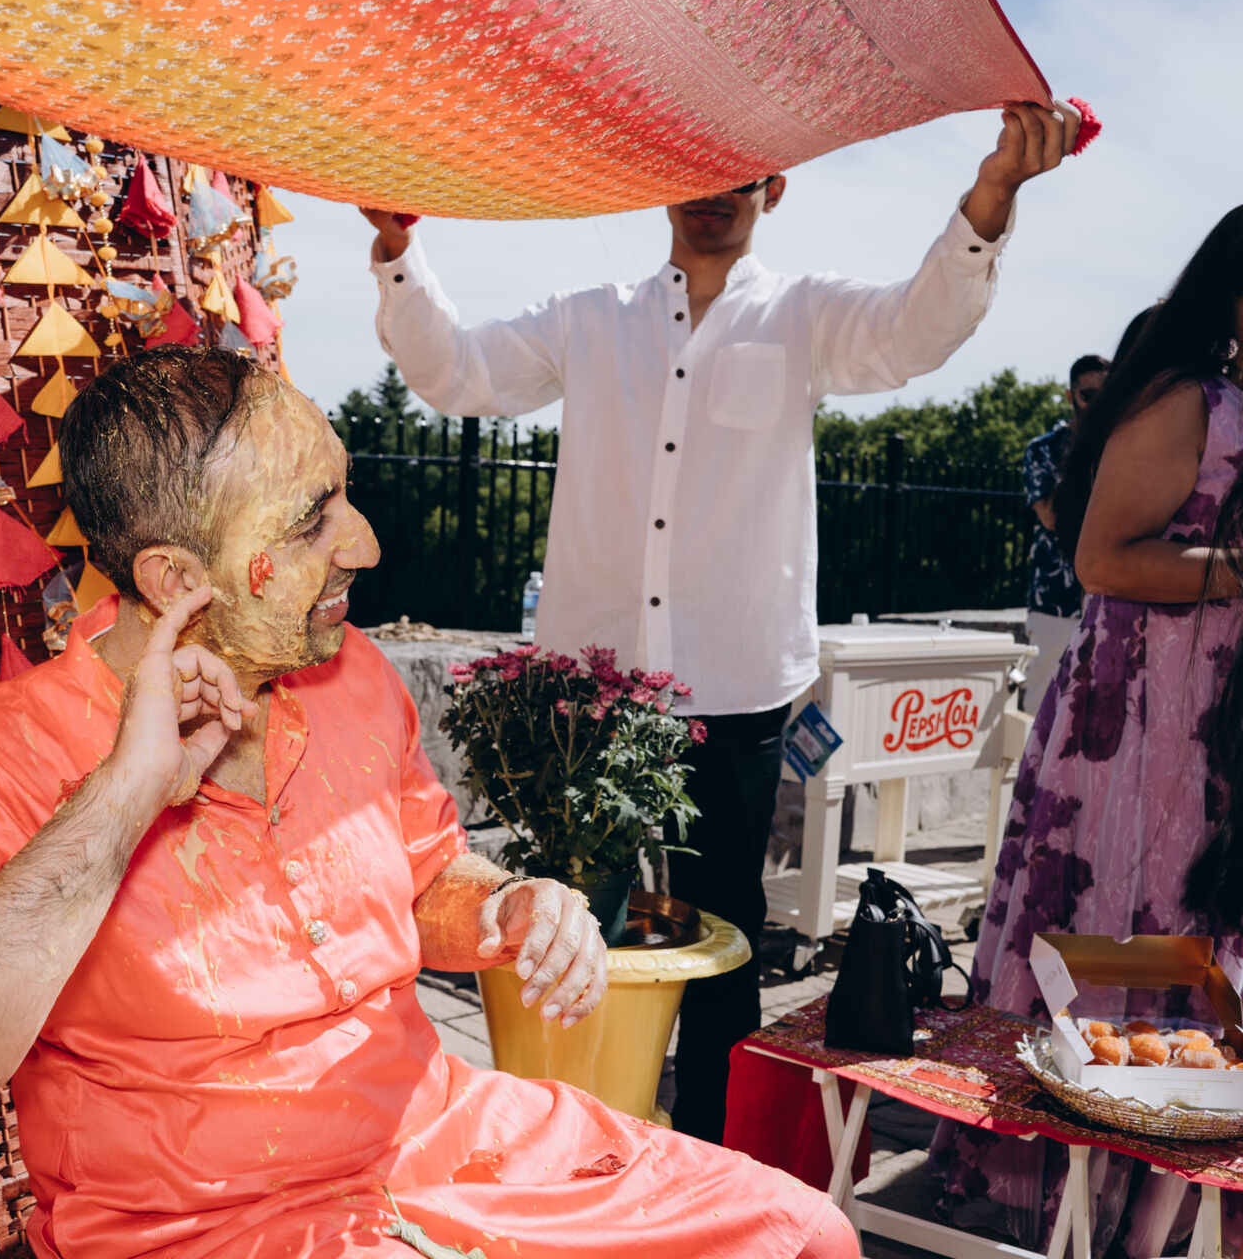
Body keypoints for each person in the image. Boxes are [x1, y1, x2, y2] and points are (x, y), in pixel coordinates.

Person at [0, 347, 857, 1259]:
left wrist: (507, 904)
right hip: (205, 1225)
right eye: (311, 521)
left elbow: (424, 872)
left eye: (343, 495)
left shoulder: (351, 672)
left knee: (804, 1232)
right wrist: (119, 800)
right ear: (175, 577)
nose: (362, 543)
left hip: (444, 1145)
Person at [364, 101, 1080, 1143]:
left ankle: (706, 1149)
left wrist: (992, 196)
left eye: (737, 177)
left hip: (737, 688)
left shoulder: (802, 315)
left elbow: (914, 333)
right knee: (574, 927)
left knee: (725, 935)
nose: (713, 197)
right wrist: (398, 251)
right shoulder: (590, 318)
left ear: (772, 189)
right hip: (593, 696)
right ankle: (573, 1132)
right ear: (664, 185)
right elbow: (457, 373)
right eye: (694, 175)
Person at [932, 207, 1243, 1254]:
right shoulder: (1187, 399)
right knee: (1131, 925)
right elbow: (1103, 559)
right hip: (1146, 726)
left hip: (1224, 725)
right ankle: (1095, 1190)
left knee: (1208, 944)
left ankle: (1172, 1194)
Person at [1019, 354, 1107, 714]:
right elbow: (1052, 517)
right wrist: (1082, 455)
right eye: (1088, 395)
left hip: (1109, 594)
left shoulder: (1124, 446)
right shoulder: (1043, 449)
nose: (1097, 404)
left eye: (1105, 393)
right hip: (1055, 599)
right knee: (1041, 704)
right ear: (1071, 397)